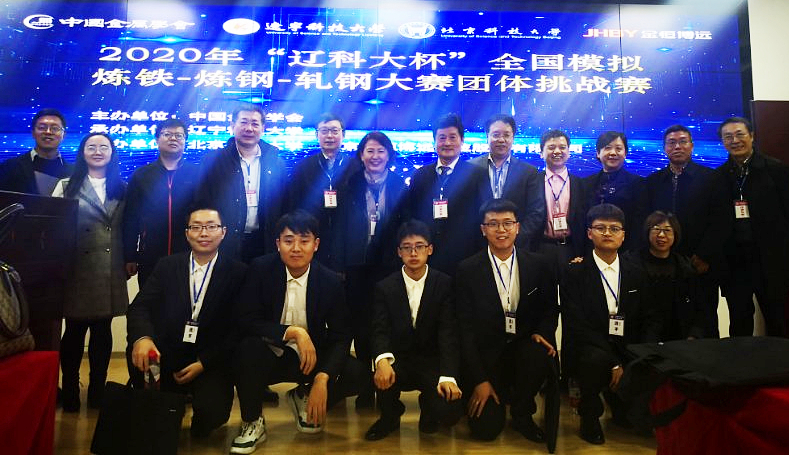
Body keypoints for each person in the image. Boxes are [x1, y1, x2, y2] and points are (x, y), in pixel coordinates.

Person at [232, 210, 362, 454]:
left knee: (357, 373)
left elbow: (341, 336)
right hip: (269, 352)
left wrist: (322, 378)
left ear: (316, 245)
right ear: (277, 244)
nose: (296, 248)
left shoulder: (330, 281)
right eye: (288, 240)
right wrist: (293, 332)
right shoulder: (260, 269)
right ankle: (252, 421)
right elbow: (246, 320)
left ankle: (304, 393)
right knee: (246, 349)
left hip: (308, 359)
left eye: (304, 241)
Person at [126, 206, 247, 437]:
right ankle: (164, 406)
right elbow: (139, 307)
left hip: (209, 359)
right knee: (161, 424)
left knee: (210, 417)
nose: (204, 233)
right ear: (187, 233)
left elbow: (238, 328)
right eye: (196, 227)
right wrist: (143, 338)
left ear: (223, 232)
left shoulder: (238, 273)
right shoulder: (167, 266)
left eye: (211, 226)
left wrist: (204, 363)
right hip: (167, 354)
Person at [455, 199, 559, 442]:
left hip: (522, 348)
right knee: (486, 431)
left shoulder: (538, 264)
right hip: (486, 357)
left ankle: (522, 413)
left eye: (507, 223)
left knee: (538, 353)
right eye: (493, 224)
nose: (501, 230)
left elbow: (549, 309)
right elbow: (465, 329)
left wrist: (542, 332)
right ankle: (490, 396)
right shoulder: (467, 270)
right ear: (483, 229)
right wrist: (480, 381)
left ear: (518, 227)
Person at [560, 204, 660, 445]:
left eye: (614, 228)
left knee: (636, 416)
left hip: (627, 344)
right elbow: (576, 324)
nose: (607, 233)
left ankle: (622, 405)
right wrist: (614, 362)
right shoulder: (575, 272)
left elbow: (650, 316)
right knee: (594, 360)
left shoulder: (636, 271)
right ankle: (590, 416)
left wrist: (644, 351)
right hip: (591, 345)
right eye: (600, 228)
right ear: (589, 233)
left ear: (623, 235)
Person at [364, 220, 463, 440]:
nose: (413, 253)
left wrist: (448, 376)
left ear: (430, 249)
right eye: (407, 247)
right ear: (399, 252)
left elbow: (448, 333)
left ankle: (429, 409)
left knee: (450, 413)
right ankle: (390, 416)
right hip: (399, 359)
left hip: (431, 361)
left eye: (419, 246)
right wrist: (381, 361)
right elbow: (379, 329)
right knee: (382, 371)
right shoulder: (385, 287)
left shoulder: (444, 283)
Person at [51, 132, 128, 412]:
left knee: (102, 331)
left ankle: (97, 390)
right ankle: (70, 389)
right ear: (82, 152)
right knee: (73, 330)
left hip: (110, 266)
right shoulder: (66, 185)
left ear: (112, 153)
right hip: (77, 268)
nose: (97, 151)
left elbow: (130, 226)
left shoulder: (122, 187)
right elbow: (53, 226)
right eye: (91, 146)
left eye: (103, 147)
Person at [332, 131, 409, 408]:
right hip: (356, 265)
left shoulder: (400, 185)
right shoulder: (349, 184)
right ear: (361, 155)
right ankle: (366, 386)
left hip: (389, 264)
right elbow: (339, 227)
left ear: (389, 155)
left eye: (380, 151)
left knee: (388, 322)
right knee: (361, 324)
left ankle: (388, 388)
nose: (375, 156)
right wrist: (340, 264)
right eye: (370, 151)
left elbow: (405, 225)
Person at [645, 125, 730, 337]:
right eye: (671, 142)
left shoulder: (711, 178)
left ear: (692, 146)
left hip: (700, 263)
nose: (677, 146)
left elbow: (720, 221)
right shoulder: (653, 182)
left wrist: (704, 255)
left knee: (704, 318)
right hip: (664, 262)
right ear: (664, 148)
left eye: (683, 141)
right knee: (664, 317)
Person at [715, 116, 789, 337]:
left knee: (776, 318)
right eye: (728, 137)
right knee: (739, 321)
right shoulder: (719, 177)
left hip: (771, 259)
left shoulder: (776, 170)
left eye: (740, 134)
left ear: (752, 136)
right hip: (735, 261)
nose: (734, 140)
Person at [197, 104, 287, 262]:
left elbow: (284, 204)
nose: (249, 128)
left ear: (263, 128)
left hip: (265, 241)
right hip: (225, 241)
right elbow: (203, 201)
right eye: (243, 122)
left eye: (255, 124)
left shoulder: (276, 162)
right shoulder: (214, 161)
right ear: (232, 125)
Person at [123, 118, 200, 287]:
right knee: (151, 299)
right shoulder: (142, 175)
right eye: (167, 134)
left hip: (189, 252)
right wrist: (130, 255)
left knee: (185, 299)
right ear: (157, 139)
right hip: (150, 253)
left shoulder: (197, 174)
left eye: (179, 135)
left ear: (185, 141)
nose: (173, 138)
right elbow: (130, 218)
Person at [409, 113, 486, 275]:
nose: (447, 143)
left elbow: (483, 216)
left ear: (462, 141)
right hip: (427, 257)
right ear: (434, 142)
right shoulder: (420, 175)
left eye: (452, 137)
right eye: (442, 138)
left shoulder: (477, 175)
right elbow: (411, 215)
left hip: (466, 256)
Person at [289, 113, 361, 269]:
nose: (329, 136)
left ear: (343, 134)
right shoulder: (303, 167)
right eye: (324, 131)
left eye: (334, 131)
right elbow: (294, 204)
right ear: (317, 135)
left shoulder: (356, 167)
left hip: (348, 237)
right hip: (312, 236)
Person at [623, 211, 705, 341]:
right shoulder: (630, 263)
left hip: (679, 338)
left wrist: (693, 336)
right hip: (639, 339)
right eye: (656, 229)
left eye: (667, 230)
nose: (661, 235)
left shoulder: (685, 267)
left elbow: (699, 308)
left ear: (675, 235)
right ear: (647, 232)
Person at [470, 114, 544, 249]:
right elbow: (465, 211)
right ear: (487, 136)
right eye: (496, 135)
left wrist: (513, 238)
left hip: (517, 246)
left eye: (506, 135)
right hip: (477, 246)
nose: (501, 140)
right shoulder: (470, 168)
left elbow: (536, 212)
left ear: (513, 138)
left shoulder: (529, 172)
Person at [583, 131, 646, 251]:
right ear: (598, 153)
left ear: (625, 153)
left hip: (625, 250)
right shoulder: (587, 183)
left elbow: (639, 223)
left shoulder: (638, 184)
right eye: (607, 148)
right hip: (591, 249)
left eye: (618, 148)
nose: (613, 153)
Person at [535, 129, 586, 265]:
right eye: (551, 147)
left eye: (562, 147)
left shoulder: (581, 184)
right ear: (541, 153)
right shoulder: (532, 182)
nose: (557, 151)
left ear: (568, 152)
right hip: (540, 248)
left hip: (572, 249)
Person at [0, 108, 72, 195]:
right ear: (33, 133)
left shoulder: (74, 173)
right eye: (42, 127)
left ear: (64, 135)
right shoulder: (9, 167)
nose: (48, 132)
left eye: (55, 128)